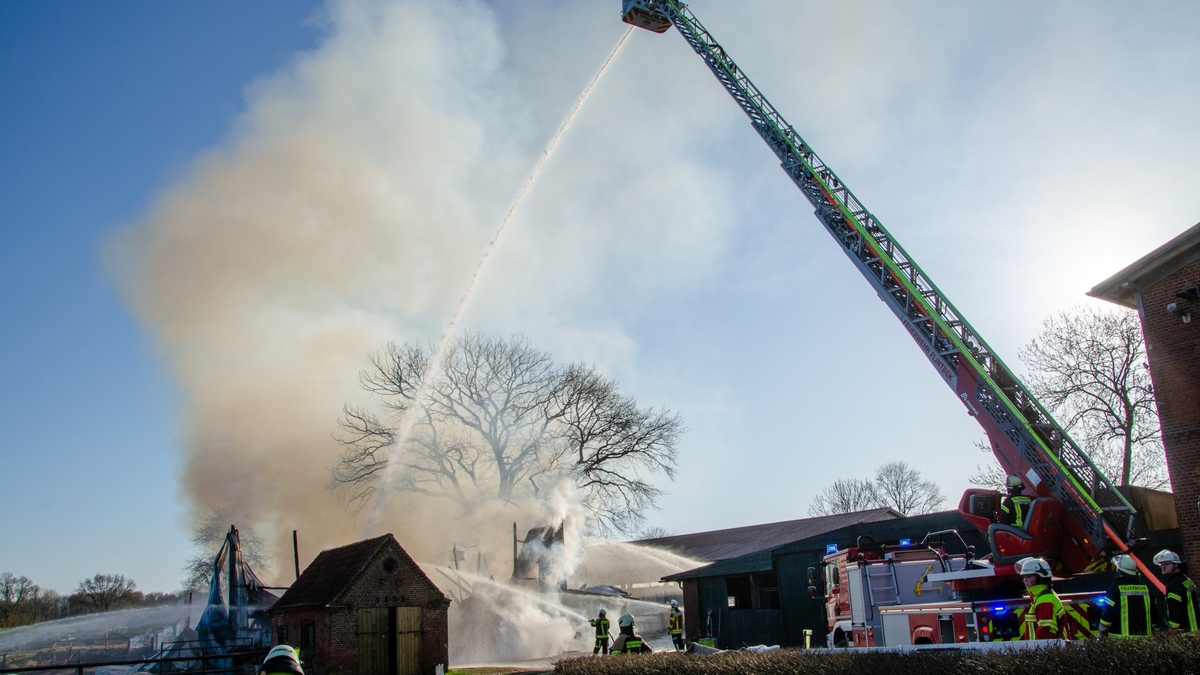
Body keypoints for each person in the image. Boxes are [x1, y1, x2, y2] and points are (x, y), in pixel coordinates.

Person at [1099, 554, 1155, 639]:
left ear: (1119, 571)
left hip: (1122, 643)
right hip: (1145, 642)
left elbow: (1107, 614)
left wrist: (1101, 635)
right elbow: (1154, 614)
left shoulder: (1114, 589)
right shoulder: (1147, 589)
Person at [1015, 557, 1063, 640]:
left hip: (1043, 650)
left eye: (1029, 576)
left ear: (1041, 578)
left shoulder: (1044, 600)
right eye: (1024, 577)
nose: (1025, 580)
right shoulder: (1045, 596)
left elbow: (1045, 633)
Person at [1153, 549, 1198, 632]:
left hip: (1185, 631)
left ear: (1176, 565)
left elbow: (1176, 608)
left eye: (1166, 564)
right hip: (1194, 628)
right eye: (1161, 564)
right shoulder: (1185, 580)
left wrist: (1173, 628)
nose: (1163, 566)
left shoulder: (1174, 584)